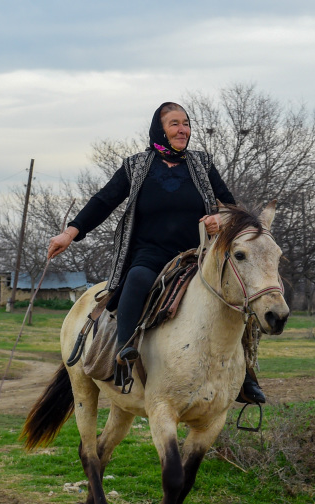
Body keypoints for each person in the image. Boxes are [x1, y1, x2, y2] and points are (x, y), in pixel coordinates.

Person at [47, 102, 266, 404]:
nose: (183, 130)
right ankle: (123, 354)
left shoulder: (202, 164)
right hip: (149, 254)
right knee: (136, 280)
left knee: (237, 297)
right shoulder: (137, 166)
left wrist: (221, 217)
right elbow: (103, 201)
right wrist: (70, 233)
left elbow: (232, 207)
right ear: (159, 129)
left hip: (197, 256)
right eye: (175, 123)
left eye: (186, 123)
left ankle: (246, 376)